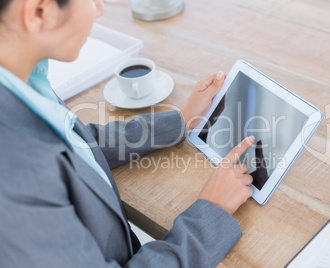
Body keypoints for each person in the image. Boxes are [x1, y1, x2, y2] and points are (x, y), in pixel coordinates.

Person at [0, 0, 255, 267]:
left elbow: (78, 142)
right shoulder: (14, 178)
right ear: (39, 12)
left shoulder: (22, 80)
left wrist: (181, 120)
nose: (100, 9)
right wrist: (211, 213)